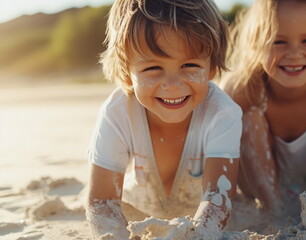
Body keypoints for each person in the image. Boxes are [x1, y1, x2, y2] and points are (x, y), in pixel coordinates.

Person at [85, 0, 242, 239]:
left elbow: (217, 200)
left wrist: (198, 235)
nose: (173, 84)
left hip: (200, 214)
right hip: (135, 208)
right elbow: (101, 201)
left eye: (189, 65)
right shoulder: (117, 112)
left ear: (210, 68)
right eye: (153, 68)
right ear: (128, 72)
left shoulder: (222, 113)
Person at [220, 0, 306, 219]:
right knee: (251, 118)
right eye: (278, 41)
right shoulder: (243, 89)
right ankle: (274, 209)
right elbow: (217, 158)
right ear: (256, 45)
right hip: (256, 186)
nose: (294, 53)